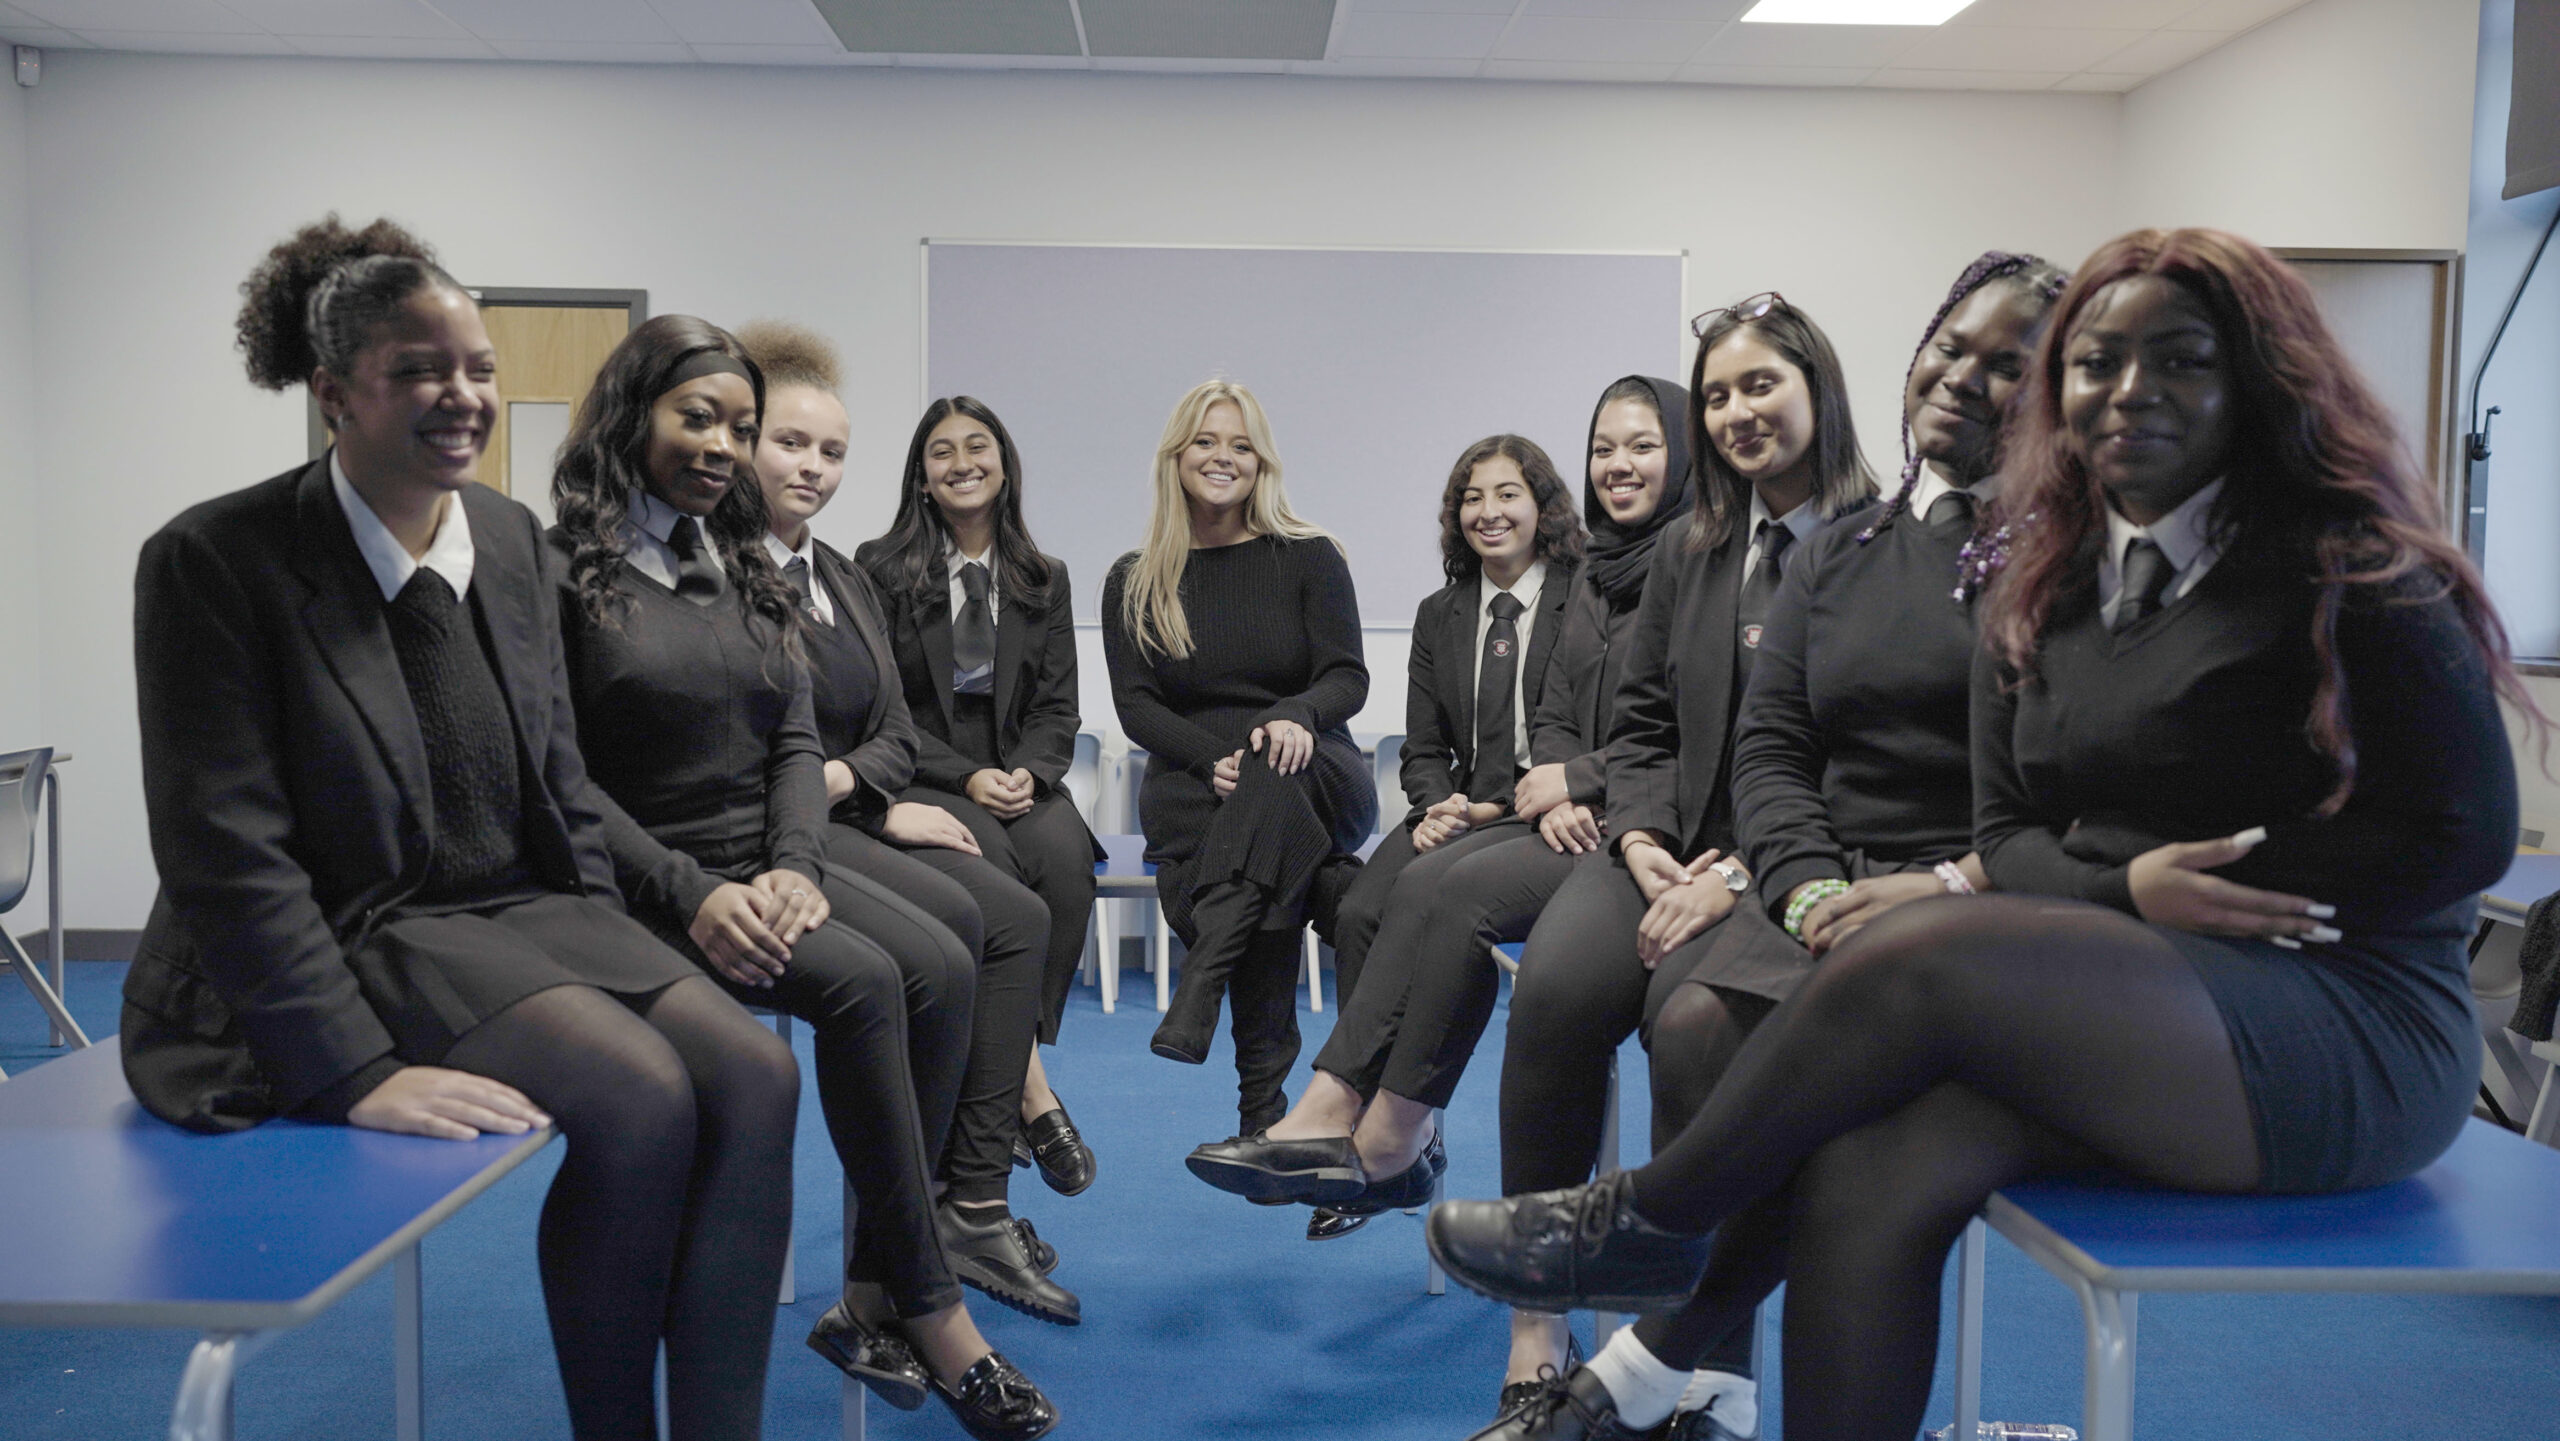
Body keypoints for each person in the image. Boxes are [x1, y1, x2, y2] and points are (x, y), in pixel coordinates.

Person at [1426, 228, 2530, 1441]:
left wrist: (2176, 885)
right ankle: (1642, 1357)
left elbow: (2463, 840)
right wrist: (2128, 886)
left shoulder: (2346, 562)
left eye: (2179, 359)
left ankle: (1643, 1218)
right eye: (2095, 362)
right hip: (2144, 995)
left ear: (2256, 379)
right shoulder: (2049, 580)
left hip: (2341, 1015)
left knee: (1924, 952)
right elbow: (2015, 834)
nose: (2128, 390)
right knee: (1870, 1167)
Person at [123, 218, 798, 1440]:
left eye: (479, 366)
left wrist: (609, 920)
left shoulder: (505, 538)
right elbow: (228, 855)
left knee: (755, 1073)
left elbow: (555, 770)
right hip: (369, 918)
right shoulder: (215, 561)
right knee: (642, 1097)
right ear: (334, 393)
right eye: (420, 369)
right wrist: (353, 1072)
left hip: (521, 907)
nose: (464, 395)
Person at [1472, 254, 2069, 1441]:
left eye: (2012, 365)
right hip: (1819, 877)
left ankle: (1646, 1298)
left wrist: (1936, 881)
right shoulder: (1851, 554)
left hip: (1976, 903)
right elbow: (1773, 747)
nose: (1964, 378)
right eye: (1950, 348)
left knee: (1861, 1148)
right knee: (1686, 1019)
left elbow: (2063, 793)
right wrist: (1798, 888)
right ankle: (1699, 1379)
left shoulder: (2070, 562)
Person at [548, 315, 1054, 1439]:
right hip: (648, 879)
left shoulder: (735, 563)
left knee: (939, 956)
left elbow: (788, 739)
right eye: (706, 419)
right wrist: (694, 890)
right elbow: (559, 779)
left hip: (761, 856)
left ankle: (879, 1289)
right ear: (633, 415)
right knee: (875, 979)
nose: (729, 446)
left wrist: (794, 863)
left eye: (741, 425)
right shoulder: (559, 572)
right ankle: (928, 1304)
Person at [1485, 299, 1875, 1428]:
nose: (1738, 411)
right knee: (1555, 991)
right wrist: (1643, 836)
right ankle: (1540, 1325)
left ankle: (1704, 1372)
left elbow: (1862, 755)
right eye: (1716, 394)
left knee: (1694, 1027)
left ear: (1817, 388)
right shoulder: (1694, 545)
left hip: (1787, 863)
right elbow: (1642, 718)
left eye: (1761, 385)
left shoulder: (1875, 541)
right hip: (1661, 844)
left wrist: (1741, 873)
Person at [734, 327, 1075, 1328]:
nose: (811, 466)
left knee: (1017, 912)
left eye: (830, 451)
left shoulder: (838, 576)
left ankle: (974, 1200)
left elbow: (888, 729)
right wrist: (854, 790)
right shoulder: (719, 574)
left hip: (849, 808)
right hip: (774, 838)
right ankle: (917, 1233)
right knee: (950, 944)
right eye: (790, 443)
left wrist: (868, 786)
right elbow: (738, 745)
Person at [1179, 432, 1587, 1233]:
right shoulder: (1442, 614)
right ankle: (1391, 1125)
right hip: (1461, 808)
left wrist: (1518, 799)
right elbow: (1423, 745)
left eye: (1507, 493)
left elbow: (1586, 726)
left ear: (1544, 505)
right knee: (1363, 906)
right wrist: (1434, 801)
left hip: (1539, 814)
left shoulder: (1588, 596)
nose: (1487, 511)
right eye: (1471, 497)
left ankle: (1372, 1128)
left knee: (1433, 902)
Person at [1101, 379, 1377, 1135]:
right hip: (1200, 790)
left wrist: (1292, 715)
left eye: (1242, 445)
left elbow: (1346, 676)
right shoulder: (1133, 578)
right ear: (1176, 456)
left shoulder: (1310, 556)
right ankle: (1271, 1125)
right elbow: (1138, 707)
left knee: (1269, 780)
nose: (1223, 457)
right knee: (1291, 882)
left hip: (1320, 769)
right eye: (1206, 441)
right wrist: (1215, 758)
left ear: (1262, 464)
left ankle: (1207, 992)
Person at [854, 393, 1103, 1201]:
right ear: (922, 478)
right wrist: (964, 777)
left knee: (1065, 864)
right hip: (928, 772)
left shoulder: (1043, 576)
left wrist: (1031, 770)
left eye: (978, 446)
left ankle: (1007, 1058)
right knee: (990, 862)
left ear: (1003, 464)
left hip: (1018, 771)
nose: (962, 462)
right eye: (941, 452)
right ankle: (1028, 1094)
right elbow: (875, 708)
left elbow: (1061, 706)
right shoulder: (881, 568)